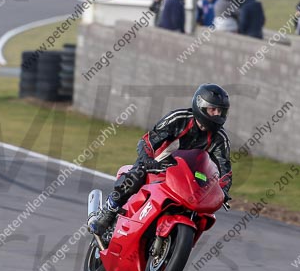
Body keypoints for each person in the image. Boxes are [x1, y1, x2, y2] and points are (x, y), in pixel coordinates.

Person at [89, 84, 233, 235]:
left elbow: (225, 169)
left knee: (203, 210)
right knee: (136, 176)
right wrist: (148, 160)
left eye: (221, 111)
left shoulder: (220, 138)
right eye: (213, 109)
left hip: (187, 176)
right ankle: (109, 209)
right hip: (157, 164)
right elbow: (147, 141)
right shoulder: (179, 119)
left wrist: (222, 191)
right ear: (200, 106)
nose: (217, 114)